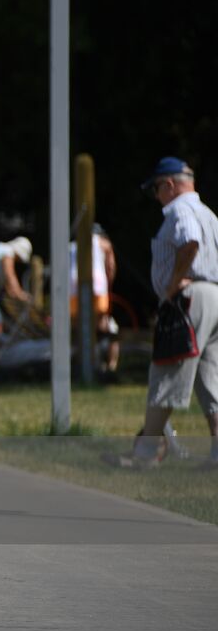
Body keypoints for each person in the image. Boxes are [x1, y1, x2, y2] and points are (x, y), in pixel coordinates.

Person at [111, 157, 218, 469]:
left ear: (169, 185)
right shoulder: (209, 214)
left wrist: (173, 284)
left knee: (166, 372)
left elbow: (190, 242)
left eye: (156, 189)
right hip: (213, 295)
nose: (157, 196)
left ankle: (146, 453)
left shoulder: (179, 210)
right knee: (210, 380)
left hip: (190, 300)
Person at [71, 224, 120, 376]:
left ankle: (81, 365)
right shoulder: (104, 243)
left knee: (78, 327)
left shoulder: (71, 246)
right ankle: (109, 366)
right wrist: (108, 284)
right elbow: (110, 267)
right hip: (97, 286)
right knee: (106, 326)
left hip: (72, 288)